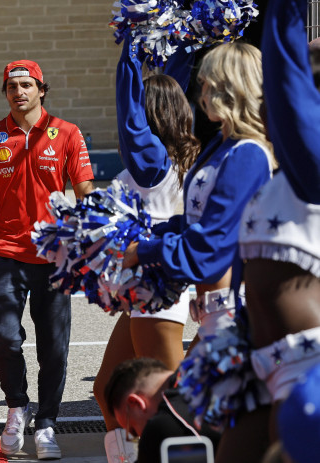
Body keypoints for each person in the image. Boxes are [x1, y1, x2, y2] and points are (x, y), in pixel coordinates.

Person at [122, 41, 275, 463]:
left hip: (238, 317)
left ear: (229, 88)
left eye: (207, 83)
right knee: (195, 432)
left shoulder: (248, 154)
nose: (199, 91)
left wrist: (144, 252)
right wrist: (135, 234)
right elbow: (193, 224)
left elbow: (209, 249)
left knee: (189, 429)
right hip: (212, 312)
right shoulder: (220, 146)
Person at [0, 60, 94, 460]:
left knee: (54, 348)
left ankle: (48, 424)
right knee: (5, 337)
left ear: (42, 89)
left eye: (26, 85)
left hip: (54, 257)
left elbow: (86, 193)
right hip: (5, 253)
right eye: (11, 86)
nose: (18, 91)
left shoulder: (67, 133)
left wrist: (88, 246)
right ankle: (17, 406)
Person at [93, 37, 199, 462]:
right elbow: (174, 80)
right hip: (142, 291)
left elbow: (130, 114)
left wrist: (131, 47)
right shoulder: (160, 157)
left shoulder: (151, 160)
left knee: (172, 402)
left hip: (157, 287)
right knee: (106, 390)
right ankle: (128, 457)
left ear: (148, 112)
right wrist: (185, 44)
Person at [238, 0, 320, 449]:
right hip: (265, 365)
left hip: (310, 374)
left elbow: (287, 73)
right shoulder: (283, 172)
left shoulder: (315, 167)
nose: (266, 108)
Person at [104, 358, 222, 463]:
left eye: (133, 430)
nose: (138, 437)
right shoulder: (206, 365)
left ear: (136, 403)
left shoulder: (165, 423)